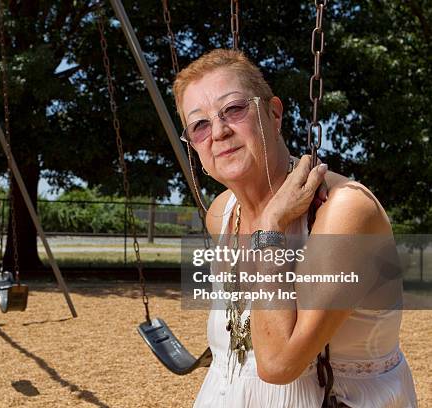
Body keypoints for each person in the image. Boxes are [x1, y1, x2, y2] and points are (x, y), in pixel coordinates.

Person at [173, 49, 417, 407]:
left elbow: (278, 364)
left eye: (234, 110)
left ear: (273, 114)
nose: (220, 132)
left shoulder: (343, 210)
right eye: (200, 125)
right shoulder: (222, 213)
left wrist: (271, 225)